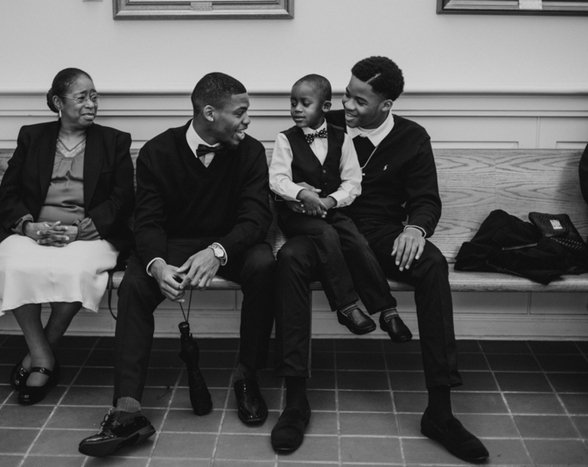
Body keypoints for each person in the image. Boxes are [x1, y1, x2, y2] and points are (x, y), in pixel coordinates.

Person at [272, 57, 489, 464]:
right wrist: (300, 194)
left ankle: (440, 413)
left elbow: (426, 198)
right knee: (289, 261)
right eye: (346, 95)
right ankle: (296, 401)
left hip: (381, 233)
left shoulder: (411, 137)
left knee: (432, 264)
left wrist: (415, 230)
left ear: (386, 105)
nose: (347, 106)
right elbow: (284, 174)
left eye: (359, 100)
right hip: (322, 228)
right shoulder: (321, 122)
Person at [78, 72, 276, 458]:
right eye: (241, 112)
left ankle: (247, 375)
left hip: (228, 246)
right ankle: (127, 411)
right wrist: (156, 265)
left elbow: (256, 219)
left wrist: (218, 252)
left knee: (264, 264)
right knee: (134, 284)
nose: (248, 120)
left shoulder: (250, 152)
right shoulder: (156, 152)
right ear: (208, 112)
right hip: (170, 245)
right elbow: (147, 221)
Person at [0, 68, 135, 406]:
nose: (92, 103)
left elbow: (123, 198)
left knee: (76, 271)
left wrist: (80, 229)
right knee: (11, 264)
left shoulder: (113, 141)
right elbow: (8, 193)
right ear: (58, 101)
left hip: (88, 235)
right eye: (82, 97)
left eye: (95, 96)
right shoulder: (32, 137)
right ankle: (43, 355)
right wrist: (28, 227)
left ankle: (41, 356)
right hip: (34, 231)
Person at [269, 73, 411, 341]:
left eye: (304, 103)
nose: (296, 109)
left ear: (324, 107)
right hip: (296, 215)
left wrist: (330, 201)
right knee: (326, 234)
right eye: (292, 103)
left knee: (355, 239)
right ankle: (347, 306)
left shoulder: (342, 138)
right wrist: (301, 194)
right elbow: (277, 179)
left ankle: (386, 309)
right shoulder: (285, 139)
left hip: (332, 209)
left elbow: (353, 182)